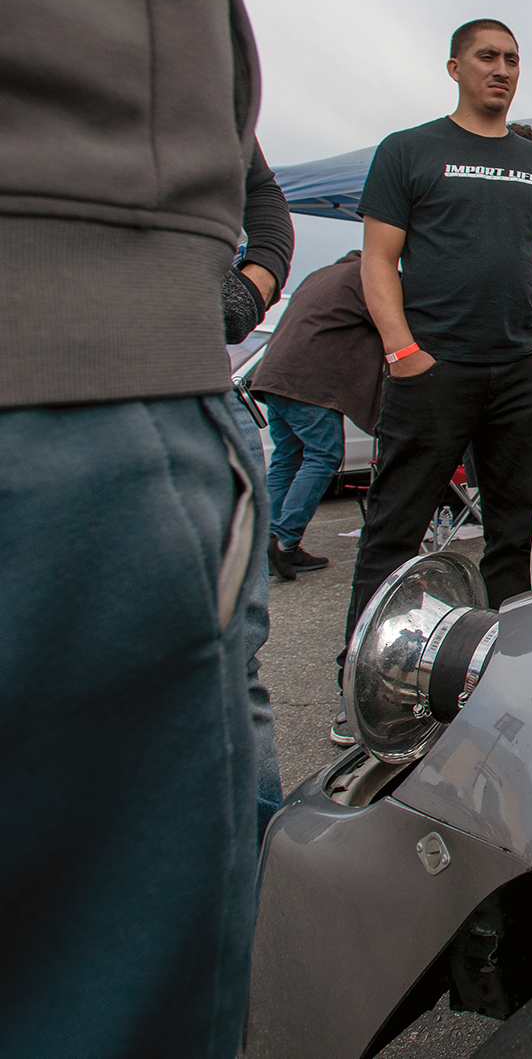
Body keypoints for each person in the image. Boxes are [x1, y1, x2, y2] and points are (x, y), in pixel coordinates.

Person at [0, 0, 430, 1057]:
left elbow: (266, 218)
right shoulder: (359, 265)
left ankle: (252, 836)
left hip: (146, 351)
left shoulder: (290, 226)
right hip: (88, 359)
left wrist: (238, 287)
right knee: (110, 954)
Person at [345, 19, 532, 643]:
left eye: (512, 60)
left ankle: (509, 666)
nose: (502, 69)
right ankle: (361, 677)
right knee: (394, 531)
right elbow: (377, 260)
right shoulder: (408, 149)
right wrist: (403, 350)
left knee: (516, 534)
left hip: (523, 371)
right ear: (455, 67)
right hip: (434, 369)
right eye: (487, 56)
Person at [224, 144, 295, 841]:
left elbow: (265, 199)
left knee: (231, 655)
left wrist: (251, 286)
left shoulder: (212, 83)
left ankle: (258, 869)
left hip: (190, 383)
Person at [250, 249, 384, 581]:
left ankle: (266, 543)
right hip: (308, 382)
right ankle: (284, 541)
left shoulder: (320, 275)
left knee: (287, 458)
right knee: (324, 455)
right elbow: (390, 322)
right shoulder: (366, 277)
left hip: (274, 377)